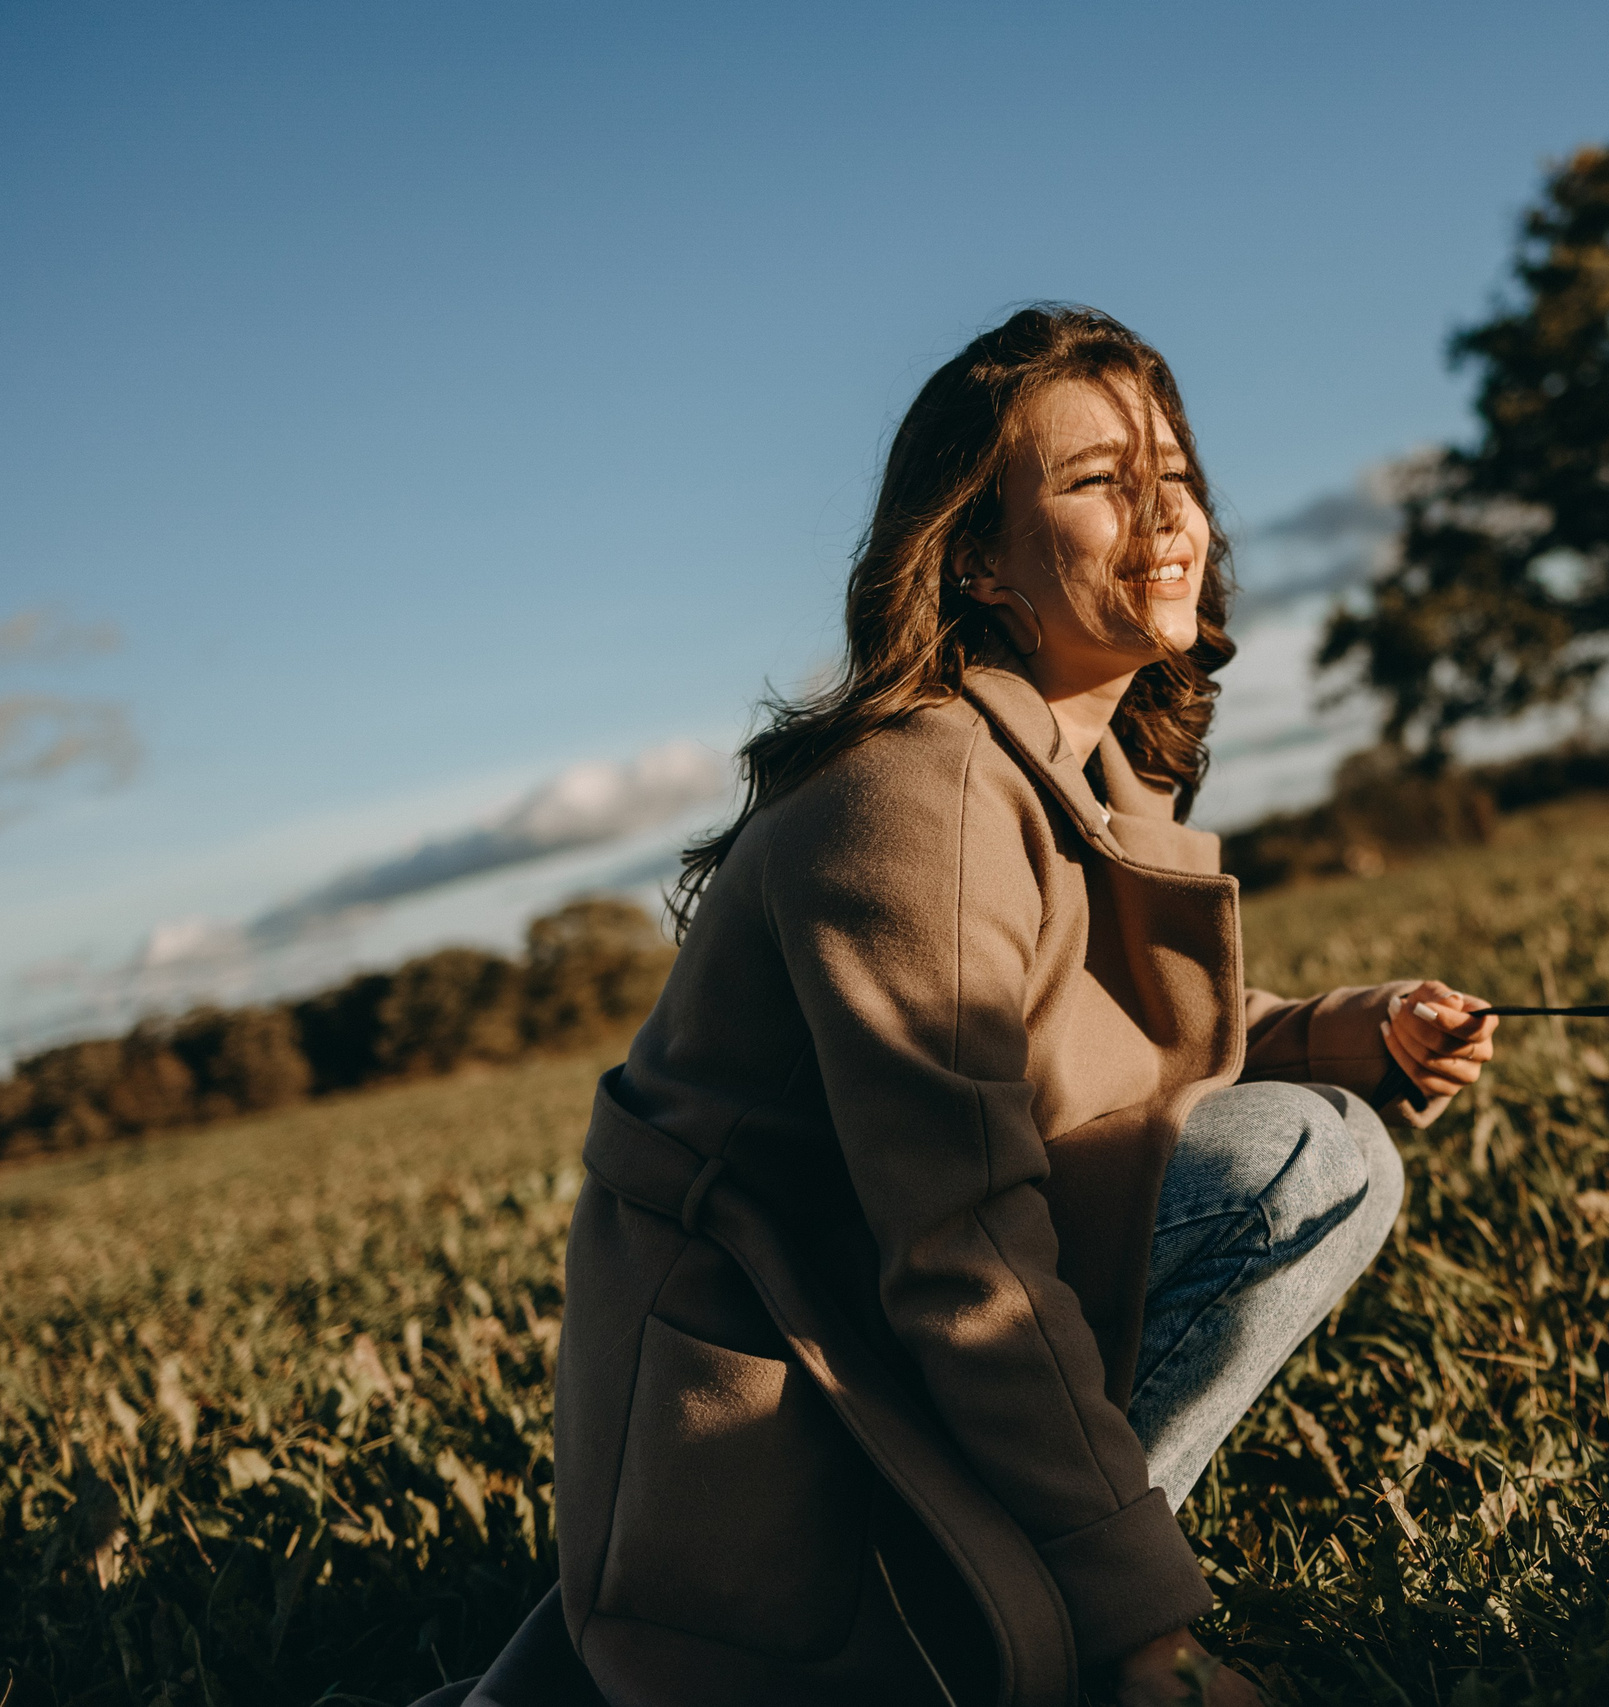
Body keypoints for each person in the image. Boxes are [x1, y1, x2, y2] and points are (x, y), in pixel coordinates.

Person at [417, 305, 1497, 1707]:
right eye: (1101, 482)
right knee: (1305, 1160)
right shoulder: (922, 794)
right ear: (978, 555)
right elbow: (960, 1249)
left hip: (852, 1336)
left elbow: (1076, 1046)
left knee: (1316, 1121)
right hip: (769, 1394)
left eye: (1173, 474)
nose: (1167, 516)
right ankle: (1000, 1609)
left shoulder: (1069, 764)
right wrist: (1139, 1634)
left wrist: (1357, 1030)